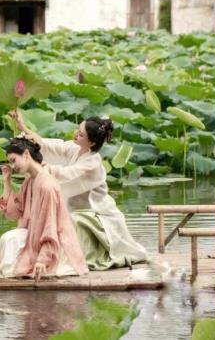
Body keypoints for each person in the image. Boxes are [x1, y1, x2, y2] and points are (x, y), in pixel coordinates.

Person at [9, 109, 147, 270]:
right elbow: (48, 146)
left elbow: (67, 174)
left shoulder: (92, 163)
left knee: (68, 222)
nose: (76, 135)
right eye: (77, 130)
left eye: (81, 135)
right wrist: (22, 127)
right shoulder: (75, 149)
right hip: (75, 209)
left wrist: (38, 168)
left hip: (96, 212)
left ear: (92, 142)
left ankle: (70, 259)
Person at [0, 137, 89, 280]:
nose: (12, 166)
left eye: (13, 160)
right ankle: (14, 268)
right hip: (35, 236)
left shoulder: (47, 185)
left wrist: (42, 260)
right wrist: (7, 180)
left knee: (11, 239)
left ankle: (18, 270)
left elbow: (51, 227)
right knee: (9, 238)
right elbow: (14, 212)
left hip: (56, 246)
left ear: (26, 154)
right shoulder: (30, 180)